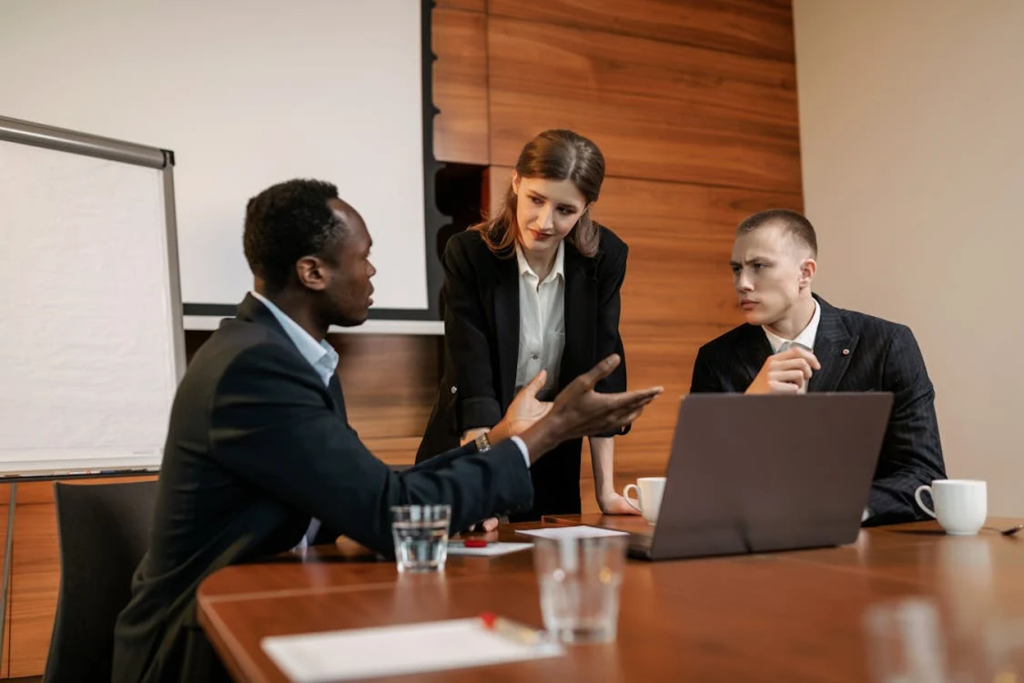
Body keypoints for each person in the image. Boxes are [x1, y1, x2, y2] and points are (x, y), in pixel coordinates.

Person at [111, 179, 662, 683]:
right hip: (199, 645)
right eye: (364, 257)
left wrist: (499, 438)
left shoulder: (284, 355)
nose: (372, 272)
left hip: (270, 601)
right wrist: (546, 433)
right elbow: (388, 513)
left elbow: (373, 488)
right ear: (312, 272)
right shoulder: (256, 370)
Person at [416, 129, 637, 520]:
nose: (544, 222)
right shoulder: (469, 254)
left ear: (586, 207)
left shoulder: (605, 258)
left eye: (565, 210)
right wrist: (478, 486)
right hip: (474, 445)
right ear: (516, 181)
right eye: (536, 200)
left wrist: (606, 491)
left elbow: (602, 367)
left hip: (550, 446)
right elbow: (472, 373)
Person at [689, 208, 946, 525]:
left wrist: (840, 509)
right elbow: (699, 488)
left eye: (758, 266)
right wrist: (749, 411)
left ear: (805, 273)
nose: (742, 283)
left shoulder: (888, 343)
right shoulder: (716, 359)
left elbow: (925, 476)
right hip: (756, 551)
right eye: (736, 269)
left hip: (867, 548)